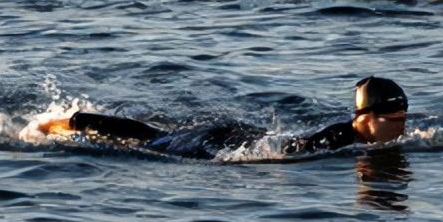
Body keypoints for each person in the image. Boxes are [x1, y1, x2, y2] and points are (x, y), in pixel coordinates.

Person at [36, 76, 409, 160]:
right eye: (393, 119)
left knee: (158, 133)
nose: (401, 126)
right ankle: (68, 123)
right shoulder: (338, 138)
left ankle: (75, 120)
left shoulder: (357, 138)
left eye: (404, 118)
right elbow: (292, 153)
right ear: (365, 117)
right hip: (217, 143)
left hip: (238, 133)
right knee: (153, 141)